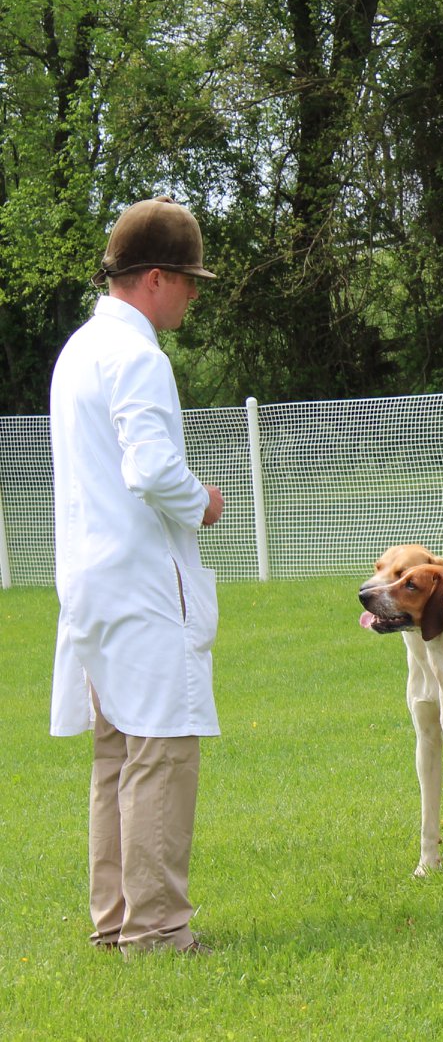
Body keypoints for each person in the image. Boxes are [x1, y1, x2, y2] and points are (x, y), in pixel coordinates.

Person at [50, 196, 225, 954]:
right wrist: (203, 503)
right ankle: (156, 928)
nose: (191, 295)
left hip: (90, 580)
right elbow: (151, 470)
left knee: (116, 753)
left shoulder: (79, 350)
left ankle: (116, 919)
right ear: (155, 277)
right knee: (162, 750)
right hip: (142, 581)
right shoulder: (138, 355)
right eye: (188, 280)